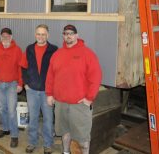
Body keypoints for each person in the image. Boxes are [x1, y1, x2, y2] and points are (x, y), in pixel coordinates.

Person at [45, 24, 102, 154]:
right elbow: (50, 76)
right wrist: (49, 94)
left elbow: (96, 77)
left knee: (82, 138)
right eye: (65, 33)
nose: (68, 36)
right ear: (63, 36)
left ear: (77, 35)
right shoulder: (57, 54)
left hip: (80, 105)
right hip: (61, 103)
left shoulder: (88, 54)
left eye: (71, 33)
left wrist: (89, 98)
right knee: (65, 133)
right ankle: (66, 152)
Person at [21, 24, 58, 154]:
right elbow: (23, 67)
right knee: (33, 118)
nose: (40, 36)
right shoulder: (29, 48)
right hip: (31, 90)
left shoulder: (54, 50)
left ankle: (48, 144)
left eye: (43, 34)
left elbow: (57, 71)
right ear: (35, 35)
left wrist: (53, 92)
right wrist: (25, 83)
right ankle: (32, 142)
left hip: (47, 92)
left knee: (48, 119)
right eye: (38, 34)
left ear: (48, 35)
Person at [0, 28, 23, 148]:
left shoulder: (17, 50)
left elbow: (20, 68)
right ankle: (5, 128)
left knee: (12, 111)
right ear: (0, 37)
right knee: (2, 108)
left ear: (11, 37)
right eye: (3, 36)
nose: (5, 38)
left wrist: (20, 84)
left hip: (12, 85)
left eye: (7, 36)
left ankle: (14, 135)